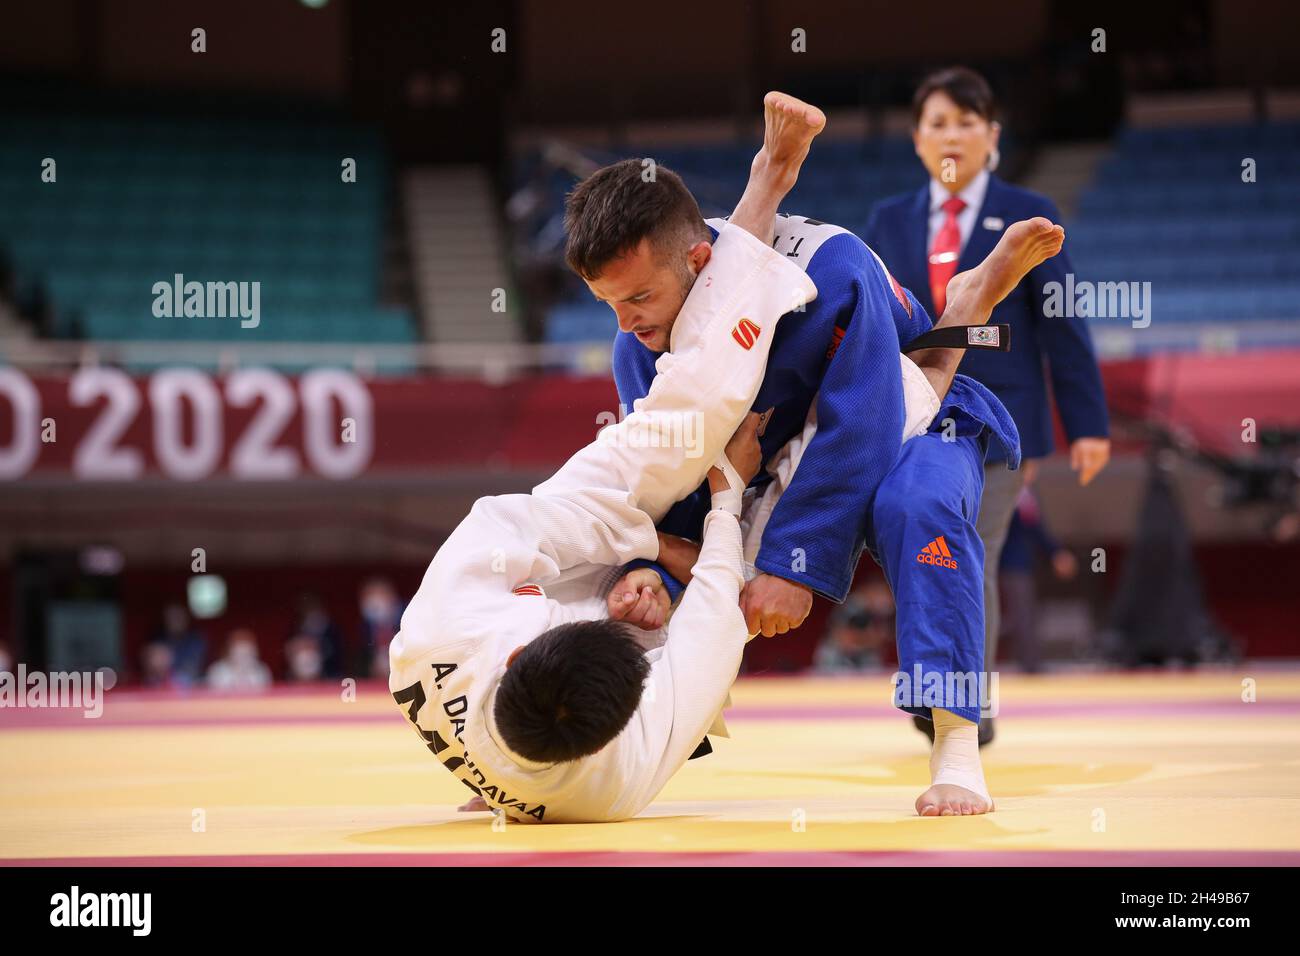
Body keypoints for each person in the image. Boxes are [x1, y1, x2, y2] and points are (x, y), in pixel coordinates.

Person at [389, 92, 830, 823]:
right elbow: (711, 632)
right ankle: (931, 336)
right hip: (550, 655)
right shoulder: (617, 782)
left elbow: (523, 520)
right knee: (713, 491)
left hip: (518, 575)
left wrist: (653, 541)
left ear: (517, 651)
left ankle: (765, 187)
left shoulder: (437, 630)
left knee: (679, 433)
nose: (619, 607)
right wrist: (725, 501)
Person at [592, 145, 1063, 814]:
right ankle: (571, 748)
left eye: (639, 297)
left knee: (919, 504)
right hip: (772, 467)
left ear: (697, 264)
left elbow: (863, 422)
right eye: (609, 303)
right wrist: (655, 571)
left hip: (903, 411)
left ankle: (956, 747)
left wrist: (794, 563)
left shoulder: (828, 271)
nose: (627, 321)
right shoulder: (638, 342)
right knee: (634, 585)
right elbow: (672, 481)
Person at [863, 66, 1110, 745]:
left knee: (974, 549)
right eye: (937, 122)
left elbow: (1062, 319)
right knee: (923, 544)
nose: (951, 135)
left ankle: (964, 705)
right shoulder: (888, 220)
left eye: (966, 121)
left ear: (992, 136)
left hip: (1003, 421)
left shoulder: (1030, 214)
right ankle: (933, 684)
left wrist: (1086, 424)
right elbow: (873, 326)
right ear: (917, 140)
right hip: (913, 412)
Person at [206, 628, 273, 691]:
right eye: (240, 653)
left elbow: (265, 695)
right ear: (230, 652)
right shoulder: (218, 670)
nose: (244, 658)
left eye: (248, 654)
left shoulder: (261, 670)